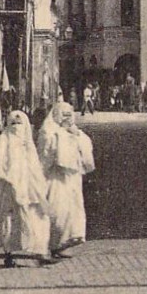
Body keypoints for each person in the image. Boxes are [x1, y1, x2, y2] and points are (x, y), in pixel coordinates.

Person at [0, 110, 53, 268]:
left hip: (30, 189)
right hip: (10, 189)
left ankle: (40, 252)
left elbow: (35, 165)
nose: (16, 127)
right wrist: (6, 178)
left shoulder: (27, 144)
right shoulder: (3, 141)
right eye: (13, 124)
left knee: (38, 217)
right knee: (9, 221)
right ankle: (8, 255)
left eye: (20, 124)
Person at [37, 102, 95, 257]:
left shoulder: (76, 133)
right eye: (63, 115)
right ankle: (49, 246)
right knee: (56, 212)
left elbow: (86, 153)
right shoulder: (48, 132)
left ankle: (62, 244)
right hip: (55, 178)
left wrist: (75, 135)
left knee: (71, 212)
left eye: (69, 115)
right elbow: (45, 157)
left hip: (72, 180)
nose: (67, 118)